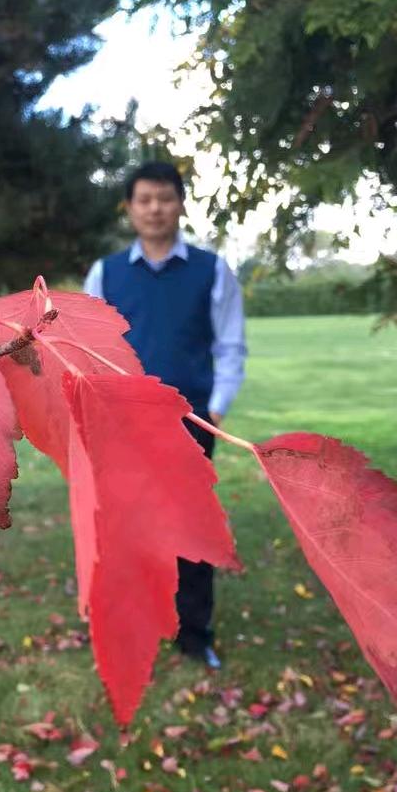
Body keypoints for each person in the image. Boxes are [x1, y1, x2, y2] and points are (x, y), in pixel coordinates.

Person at [83, 160, 247, 670]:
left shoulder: (211, 270)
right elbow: (89, 349)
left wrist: (216, 407)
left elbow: (231, 345)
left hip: (191, 422)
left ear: (180, 203)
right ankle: (137, 625)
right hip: (123, 425)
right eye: (144, 199)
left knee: (191, 531)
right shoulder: (105, 273)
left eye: (165, 198)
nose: (155, 208)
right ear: (130, 208)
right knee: (127, 530)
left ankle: (195, 634)